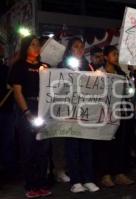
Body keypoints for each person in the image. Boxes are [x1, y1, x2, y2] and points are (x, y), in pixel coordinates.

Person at [9, 35, 52, 198]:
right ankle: (30, 185)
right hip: (27, 107)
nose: (36, 47)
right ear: (26, 47)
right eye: (33, 45)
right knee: (28, 149)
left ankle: (42, 184)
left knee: (43, 149)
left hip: (43, 108)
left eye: (38, 45)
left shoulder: (45, 66)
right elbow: (17, 92)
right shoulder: (19, 66)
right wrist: (26, 112)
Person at [58, 37, 100, 193]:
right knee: (72, 146)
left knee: (87, 147)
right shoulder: (62, 66)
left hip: (85, 112)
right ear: (70, 49)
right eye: (76, 47)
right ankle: (75, 181)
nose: (80, 49)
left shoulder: (88, 66)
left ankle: (88, 179)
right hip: (70, 112)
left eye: (82, 47)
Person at [96, 45, 135, 187]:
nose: (117, 57)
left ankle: (119, 173)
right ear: (106, 57)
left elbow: (128, 93)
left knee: (121, 144)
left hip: (121, 113)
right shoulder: (99, 73)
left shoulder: (121, 74)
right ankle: (105, 175)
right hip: (106, 114)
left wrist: (132, 84)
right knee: (106, 144)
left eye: (117, 54)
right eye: (113, 54)